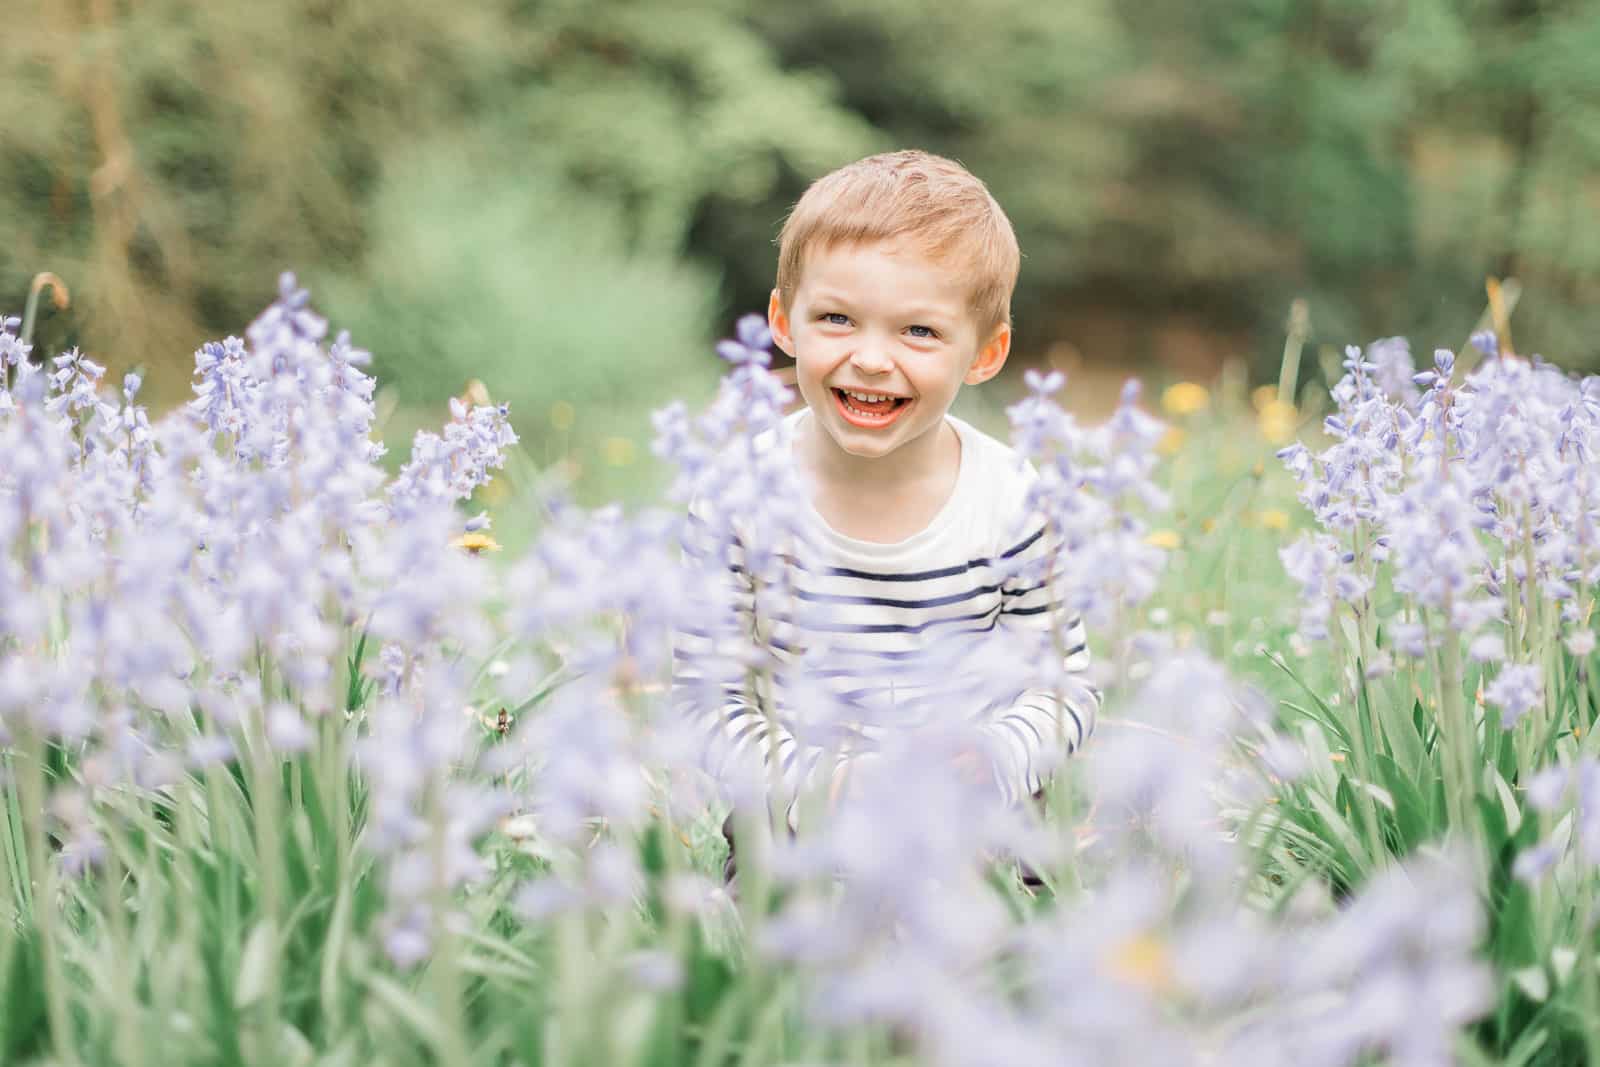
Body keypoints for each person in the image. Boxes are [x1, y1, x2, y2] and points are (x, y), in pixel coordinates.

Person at [673, 150, 1100, 886]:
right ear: (783, 322)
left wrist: (988, 761)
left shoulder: (1013, 499)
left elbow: (1063, 686)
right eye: (837, 318)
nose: (871, 359)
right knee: (785, 971)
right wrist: (825, 785)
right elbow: (704, 702)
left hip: (977, 829)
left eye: (918, 333)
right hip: (797, 828)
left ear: (986, 352)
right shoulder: (734, 497)